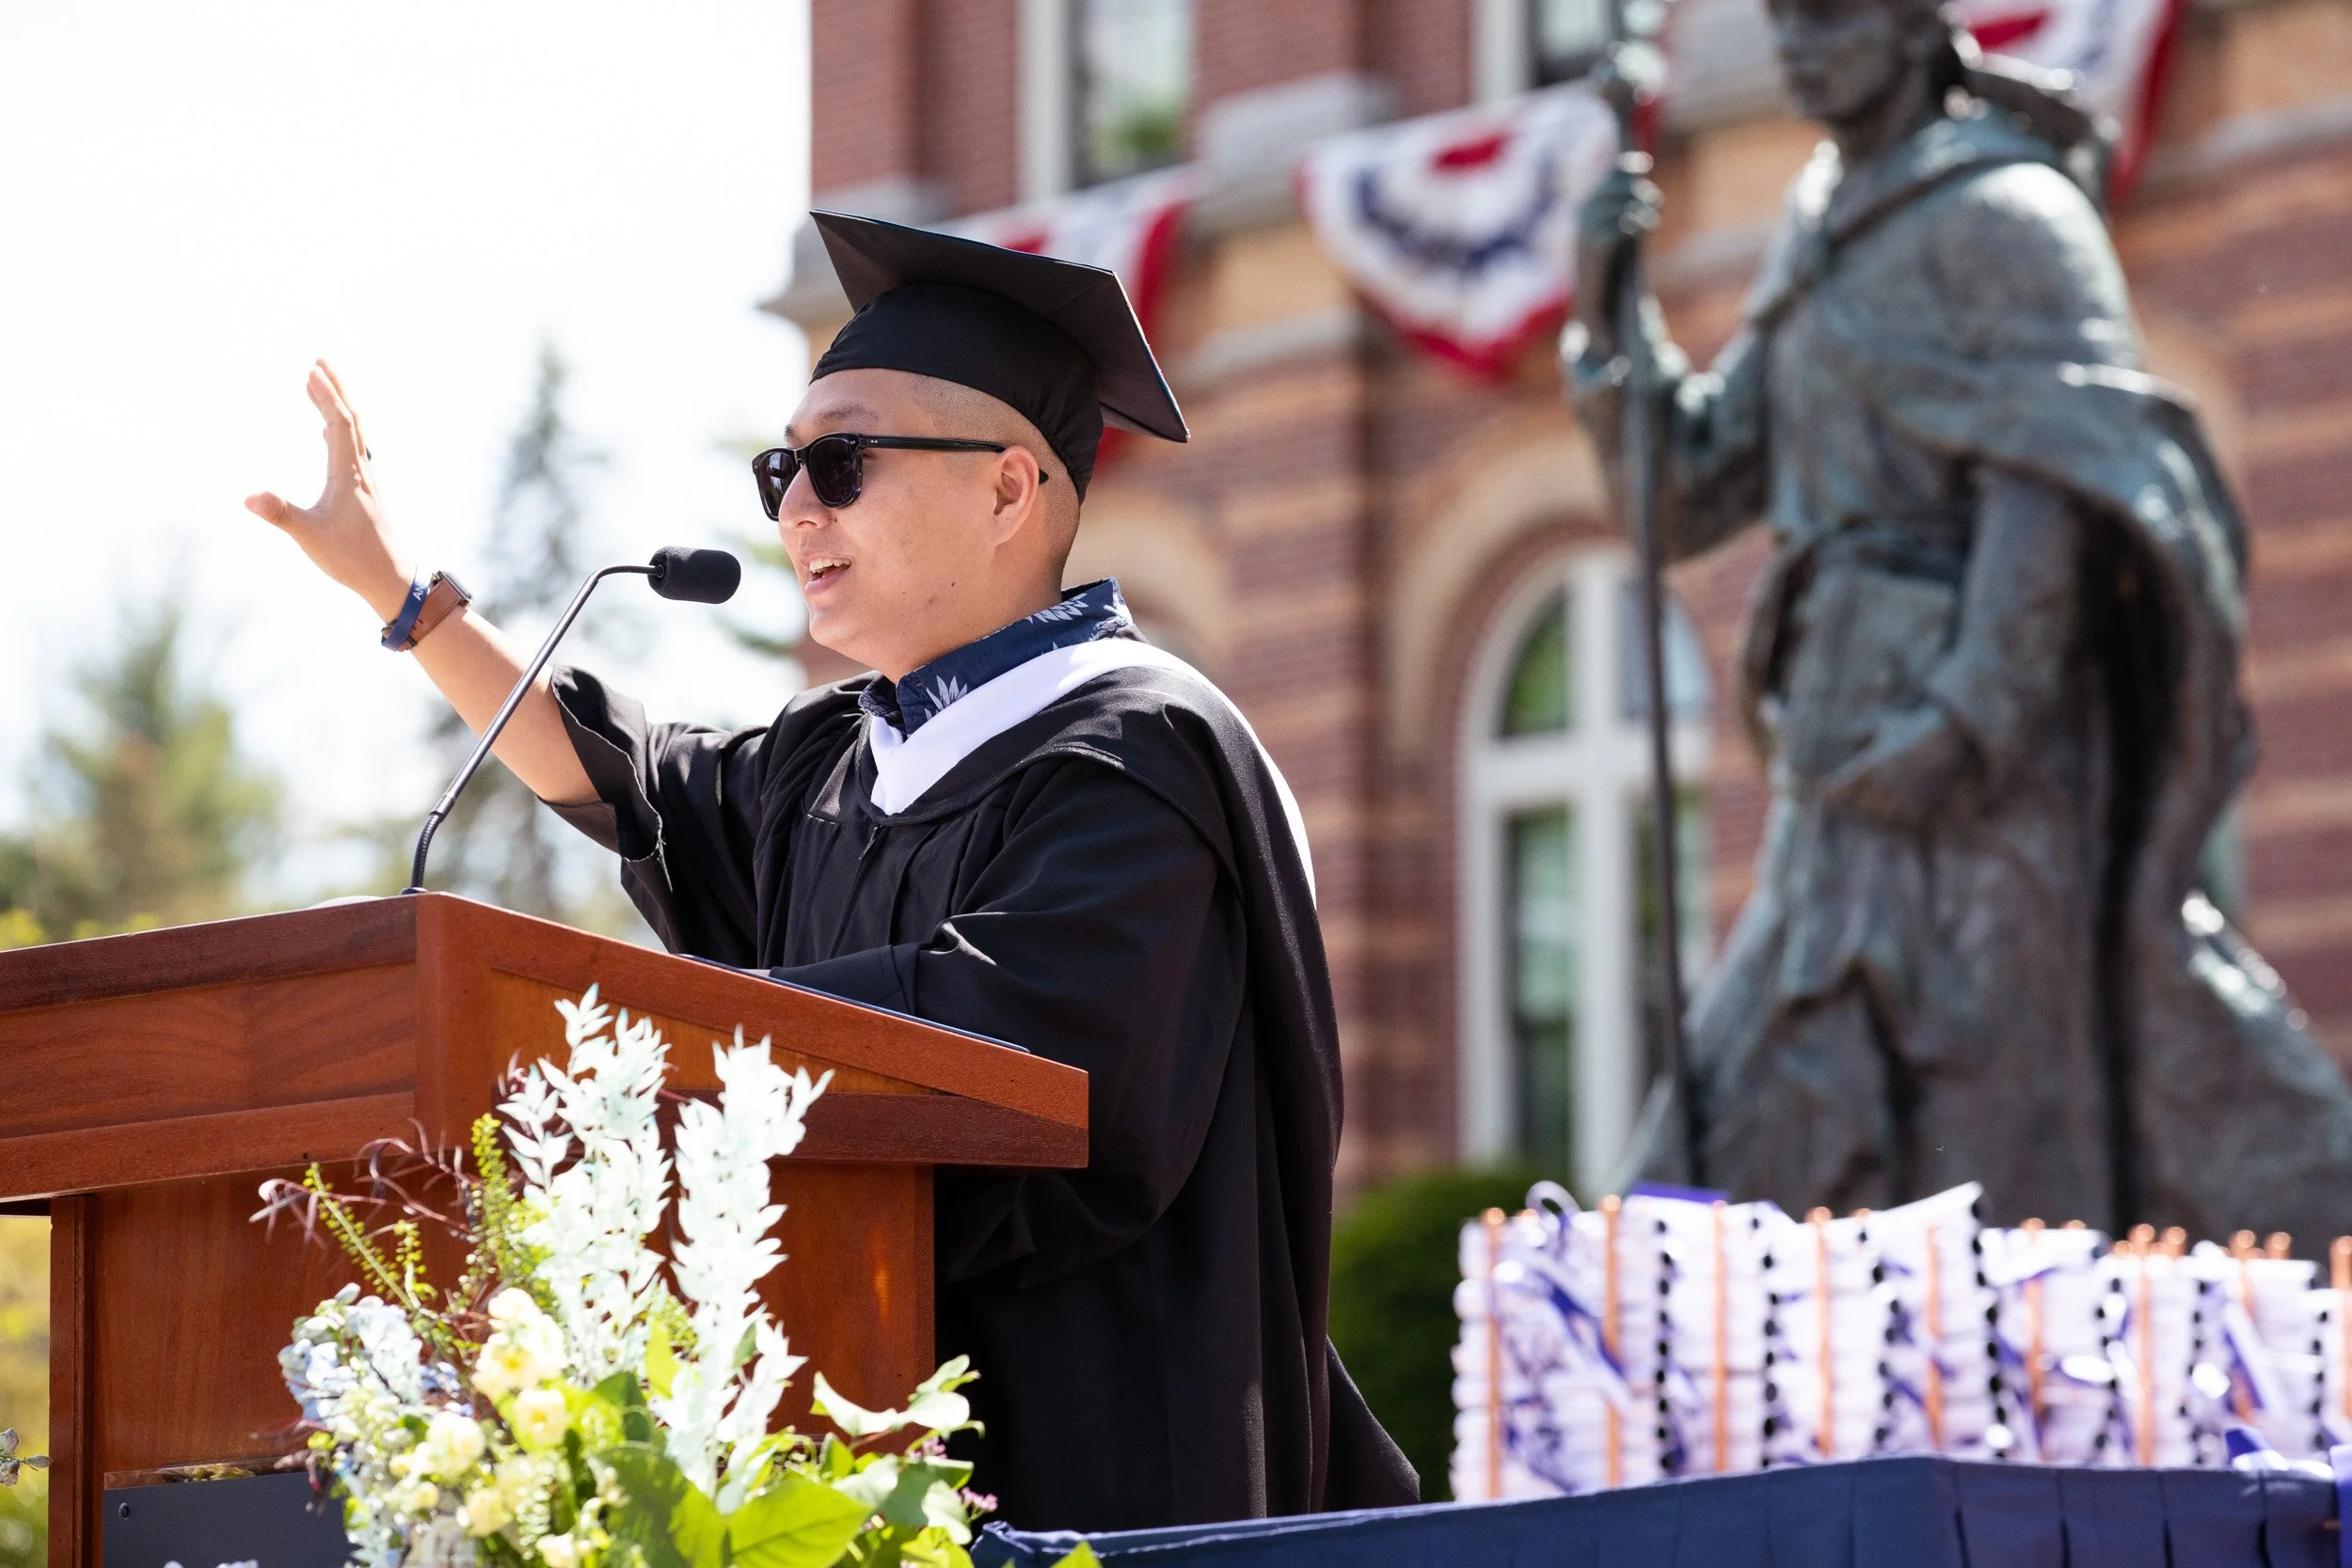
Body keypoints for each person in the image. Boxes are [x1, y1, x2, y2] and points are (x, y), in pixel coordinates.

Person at [246, 212, 1418, 1530]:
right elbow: (624, 773)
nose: (798, 508)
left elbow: (1026, 1073)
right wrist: (403, 596)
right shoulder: (833, 763)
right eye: (781, 471)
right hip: (835, 1488)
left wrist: (632, 1055)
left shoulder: (1137, 758)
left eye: (844, 462)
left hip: (1096, 1494)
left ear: (1008, 489)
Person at [1568, 0, 2352, 1240]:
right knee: (1729, 1135)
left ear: (1912, 24)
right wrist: (1609, 310)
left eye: (1827, 16)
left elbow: (2056, 476)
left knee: (1999, 1130)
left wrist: (1969, 716)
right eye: (1781, 19)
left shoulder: (2011, 218)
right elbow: (1695, 485)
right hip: (1839, 765)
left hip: (1987, 779)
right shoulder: (1821, 227)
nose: (1796, 46)